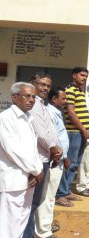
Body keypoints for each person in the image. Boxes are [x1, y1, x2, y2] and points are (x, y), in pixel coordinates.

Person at [0, 82, 43, 238]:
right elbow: (13, 151)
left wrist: (37, 171)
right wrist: (37, 170)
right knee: (8, 225)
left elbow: (33, 150)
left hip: (29, 179)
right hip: (13, 180)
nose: (31, 100)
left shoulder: (28, 119)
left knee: (22, 220)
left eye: (33, 97)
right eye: (27, 96)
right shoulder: (5, 119)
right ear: (14, 97)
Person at [24, 72, 62, 238]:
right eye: (42, 84)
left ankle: (31, 232)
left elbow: (50, 131)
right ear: (33, 83)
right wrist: (53, 149)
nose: (46, 88)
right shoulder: (33, 105)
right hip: (38, 159)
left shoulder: (42, 105)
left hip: (46, 157)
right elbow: (40, 132)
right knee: (31, 203)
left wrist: (57, 148)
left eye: (48, 85)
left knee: (37, 201)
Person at [35, 87, 70, 237]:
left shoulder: (55, 113)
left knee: (49, 196)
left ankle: (45, 226)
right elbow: (49, 138)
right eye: (63, 98)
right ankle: (42, 231)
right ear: (54, 99)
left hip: (58, 158)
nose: (66, 101)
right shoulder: (49, 113)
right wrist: (62, 156)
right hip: (54, 159)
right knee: (47, 196)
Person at [56, 67, 89, 204]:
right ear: (74, 75)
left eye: (86, 76)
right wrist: (83, 129)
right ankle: (60, 194)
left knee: (74, 164)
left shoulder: (79, 91)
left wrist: (88, 128)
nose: (84, 78)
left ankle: (67, 191)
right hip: (74, 132)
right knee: (69, 164)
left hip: (80, 133)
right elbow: (71, 113)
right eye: (82, 75)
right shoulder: (70, 90)